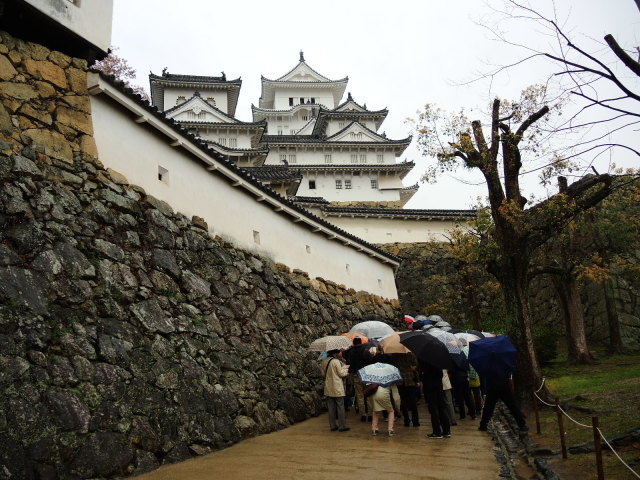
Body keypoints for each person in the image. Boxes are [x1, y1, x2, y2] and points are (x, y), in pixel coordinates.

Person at [343, 337, 375, 421]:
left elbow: (349, 363)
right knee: (368, 395)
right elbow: (371, 363)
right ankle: (370, 414)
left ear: (353, 343)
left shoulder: (351, 352)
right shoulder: (366, 351)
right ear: (361, 342)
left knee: (359, 395)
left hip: (356, 375)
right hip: (366, 375)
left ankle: (363, 415)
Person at [321, 349, 350, 432]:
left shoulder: (323, 361)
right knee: (340, 406)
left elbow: (323, 374)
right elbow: (341, 374)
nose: (339, 353)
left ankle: (332, 425)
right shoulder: (335, 361)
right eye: (338, 352)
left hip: (328, 387)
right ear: (335, 353)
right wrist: (346, 370)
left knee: (331, 407)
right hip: (337, 387)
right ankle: (342, 426)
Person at [420, 362, 451, 439]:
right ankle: (446, 431)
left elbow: (424, 372)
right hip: (439, 385)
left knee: (433, 409)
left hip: (430, 386)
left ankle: (437, 432)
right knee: (442, 407)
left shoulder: (426, 359)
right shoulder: (438, 360)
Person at [389, 353, 420, 427]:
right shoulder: (411, 355)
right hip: (411, 381)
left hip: (400, 382)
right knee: (413, 402)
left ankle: (406, 421)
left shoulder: (395, 356)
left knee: (403, 402)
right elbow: (415, 366)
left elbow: (393, 368)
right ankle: (415, 421)